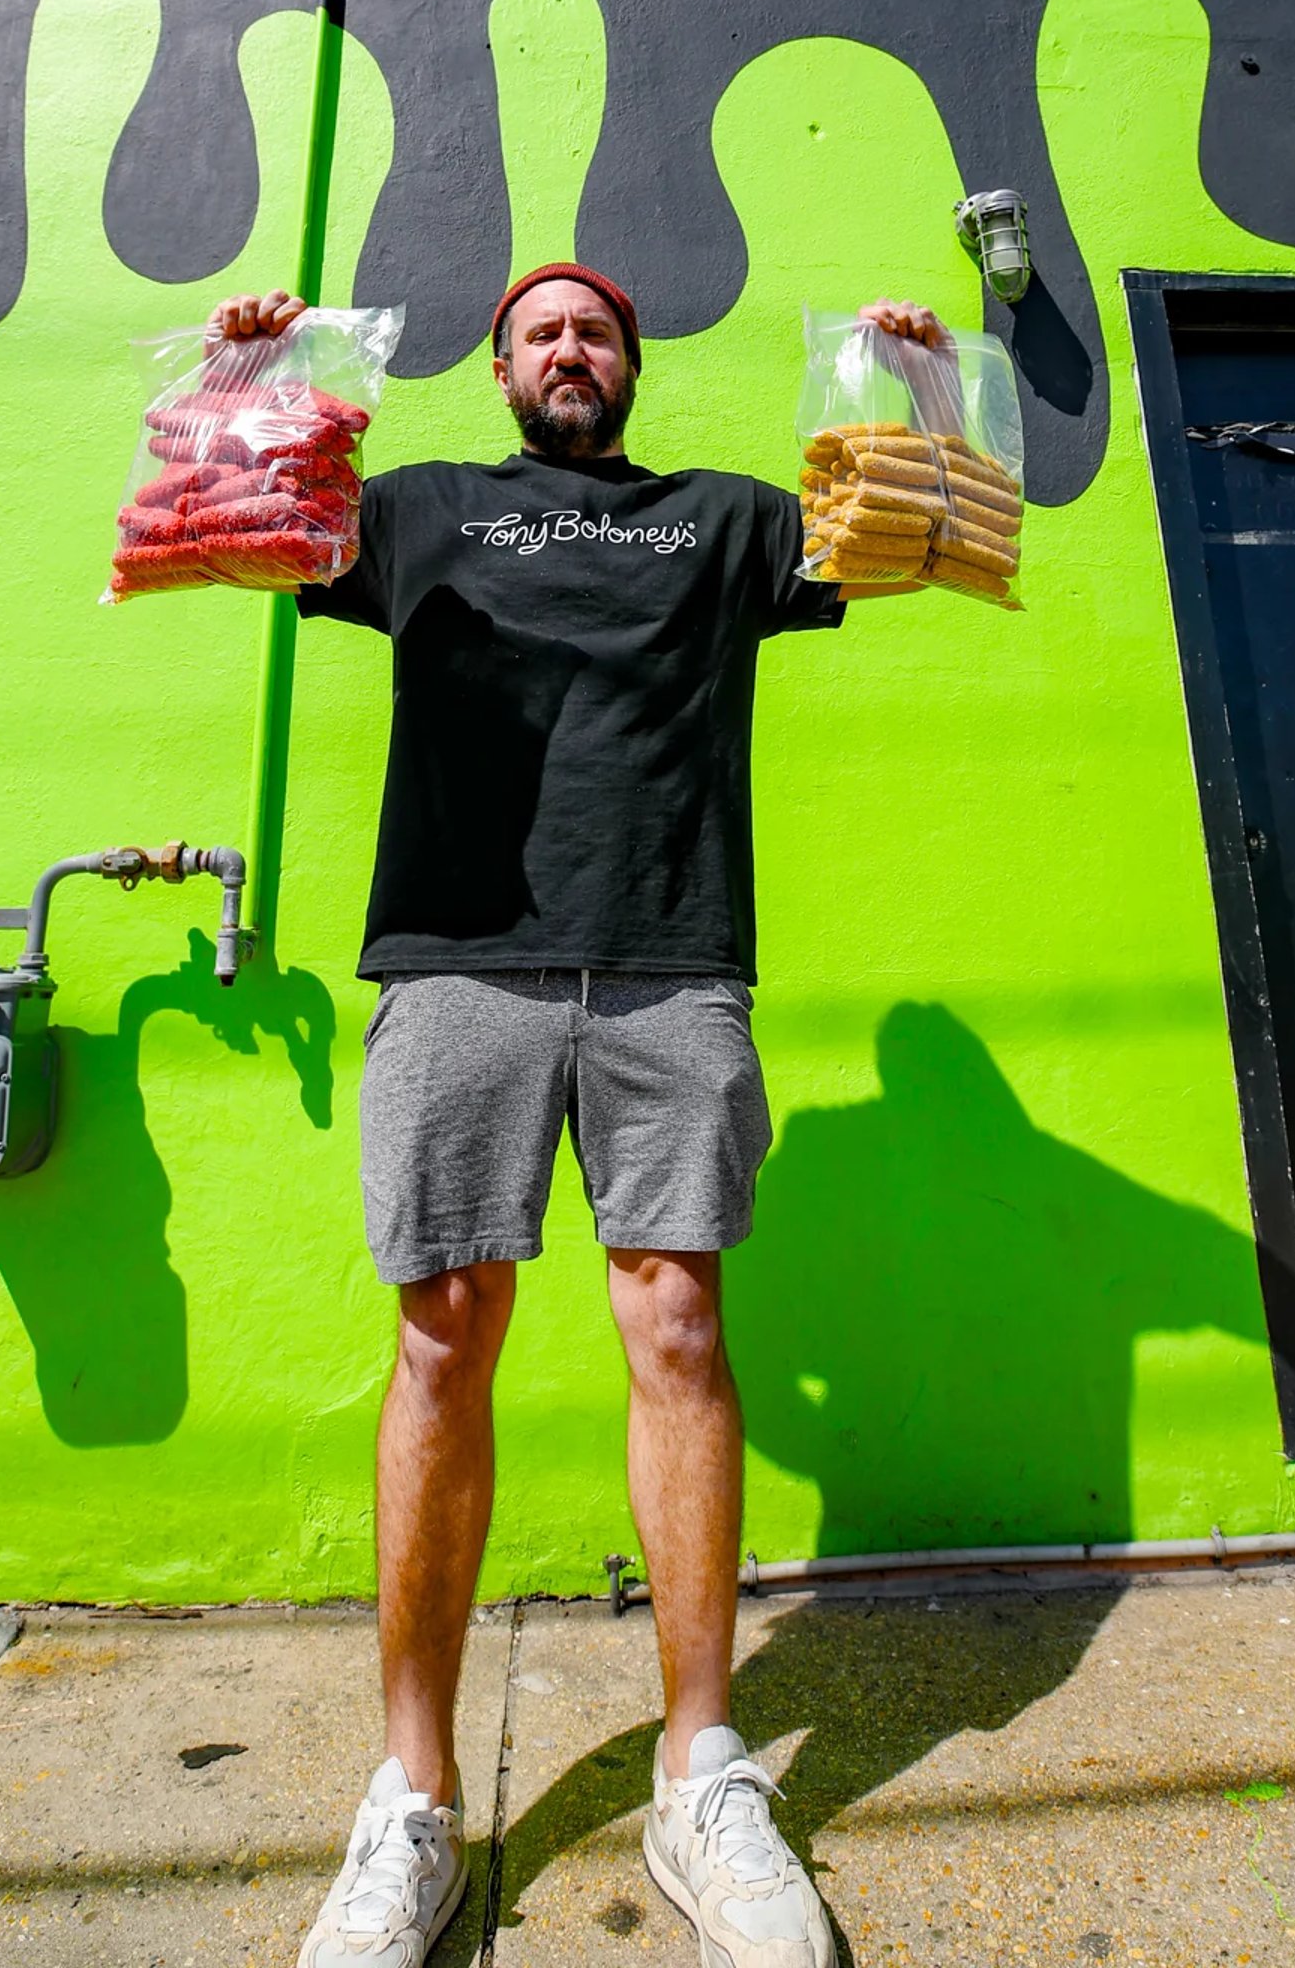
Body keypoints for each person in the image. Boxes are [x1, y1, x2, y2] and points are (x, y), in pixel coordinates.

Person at [211, 266, 948, 1968]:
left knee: (677, 1320)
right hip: (456, 960)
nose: (569, 349)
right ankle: (412, 1801)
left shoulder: (724, 524)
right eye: (539, 330)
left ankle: (703, 1768)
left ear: (632, 364)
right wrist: (256, 382)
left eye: (596, 330)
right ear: (497, 366)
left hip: (674, 960)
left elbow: (902, 538)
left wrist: (910, 389)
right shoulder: (419, 514)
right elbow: (253, 526)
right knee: (442, 1330)